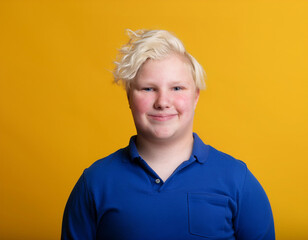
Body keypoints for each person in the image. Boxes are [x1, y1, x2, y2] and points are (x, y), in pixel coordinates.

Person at [61, 29, 275, 240]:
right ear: (129, 97)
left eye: (177, 88)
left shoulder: (238, 180)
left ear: (196, 96)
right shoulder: (94, 183)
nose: (162, 102)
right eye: (148, 89)